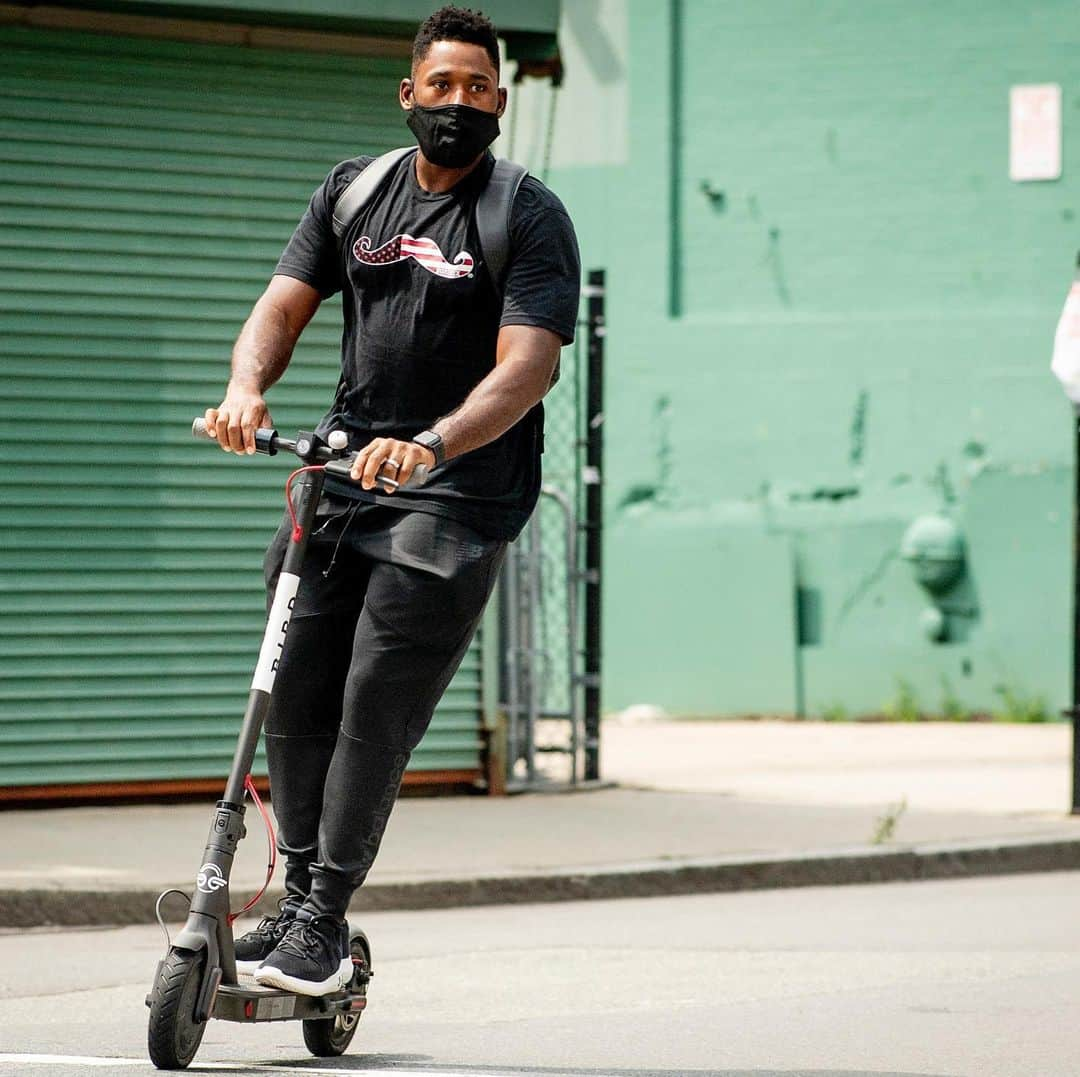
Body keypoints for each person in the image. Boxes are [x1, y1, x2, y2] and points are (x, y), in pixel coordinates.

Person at [202, 5, 580, 997]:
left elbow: (528, 366)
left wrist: (431, 444)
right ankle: (291, 906)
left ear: (500, 99)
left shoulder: (526, 215)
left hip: (456, 495)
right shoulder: (354, 191)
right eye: (442, 86)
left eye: (479, 88)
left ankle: (322, 923)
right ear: (408, 94)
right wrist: (247, 389)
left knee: (376, 699)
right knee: (295, 686)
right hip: (340, 480)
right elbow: (282, 302)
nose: (460, 104)